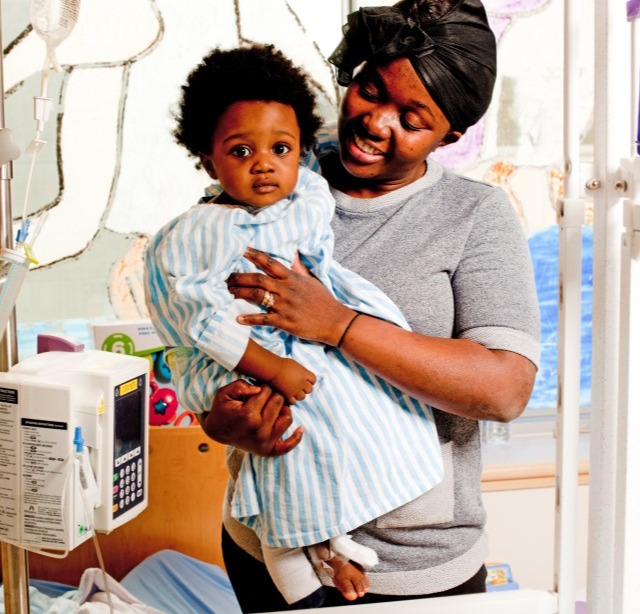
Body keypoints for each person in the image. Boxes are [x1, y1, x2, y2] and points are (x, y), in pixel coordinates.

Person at [176, 0, 542, 611]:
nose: (376, 121)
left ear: (451, 136)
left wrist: (338, 324)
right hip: (268, 538)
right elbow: (203, 331)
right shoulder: (270, 174)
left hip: (408, 569)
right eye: (370, 90)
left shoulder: (473, 216)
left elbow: (504, 388)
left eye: (412, 118)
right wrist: (220, 422)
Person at [143, 44, 448, 609]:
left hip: (304, 347)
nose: (264, 163)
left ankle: (334, 544)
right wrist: (273, 367)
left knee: (336, 435)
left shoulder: (305, 188)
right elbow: (202, 321)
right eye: (241, 151)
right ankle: (298, 575)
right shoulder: (197, 234)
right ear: (209, 161)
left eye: (280, 149)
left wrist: (329, 322)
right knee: (287, 450)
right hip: (246, 353)